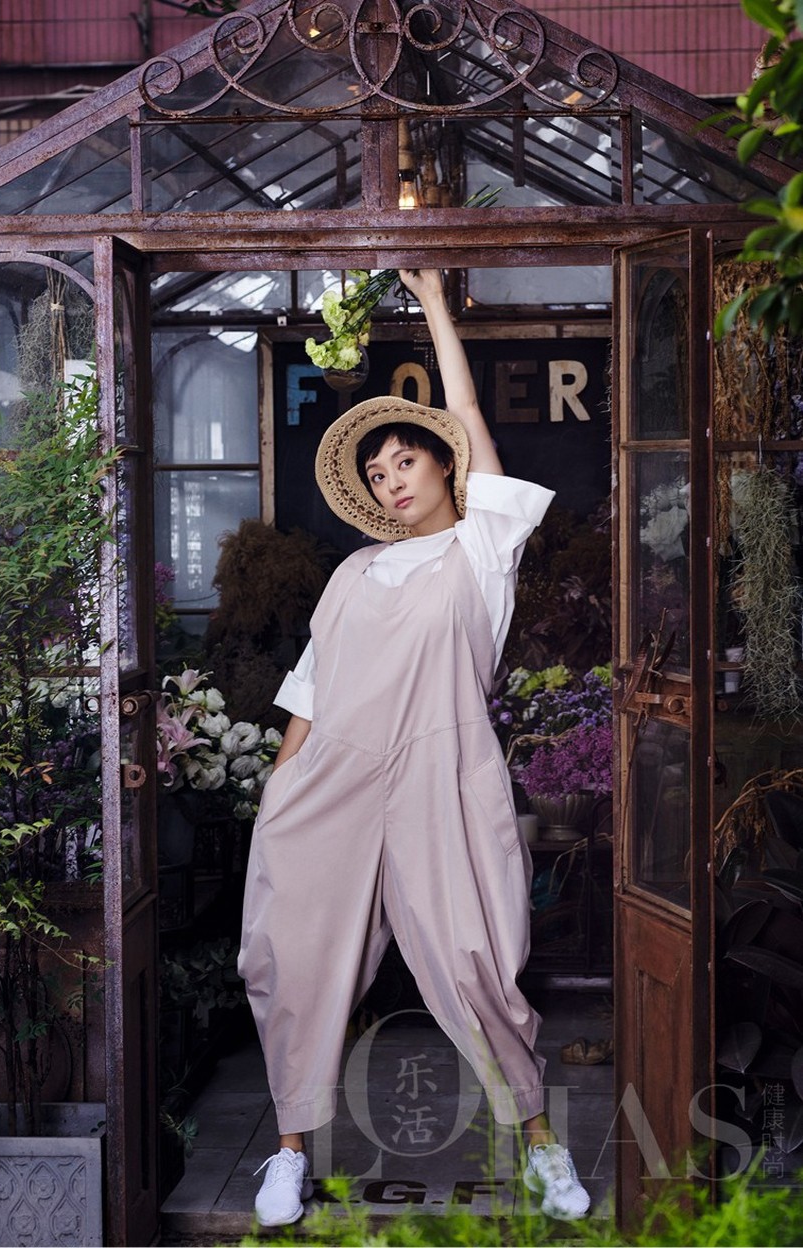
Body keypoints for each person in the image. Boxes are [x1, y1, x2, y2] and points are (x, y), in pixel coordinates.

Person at [238, 268, 591, 1227]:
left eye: (405, 461)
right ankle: (287, 1154)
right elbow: (310, 691)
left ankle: (541, 1145)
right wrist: (279, 793)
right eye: (377, 473)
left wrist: (434, 301)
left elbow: (468, 411)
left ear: (444, 468)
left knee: (479, 964)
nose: (392, 480)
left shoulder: (483, 551)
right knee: (294, 960)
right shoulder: (353, 572)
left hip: (444, 774)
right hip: (333, 780)